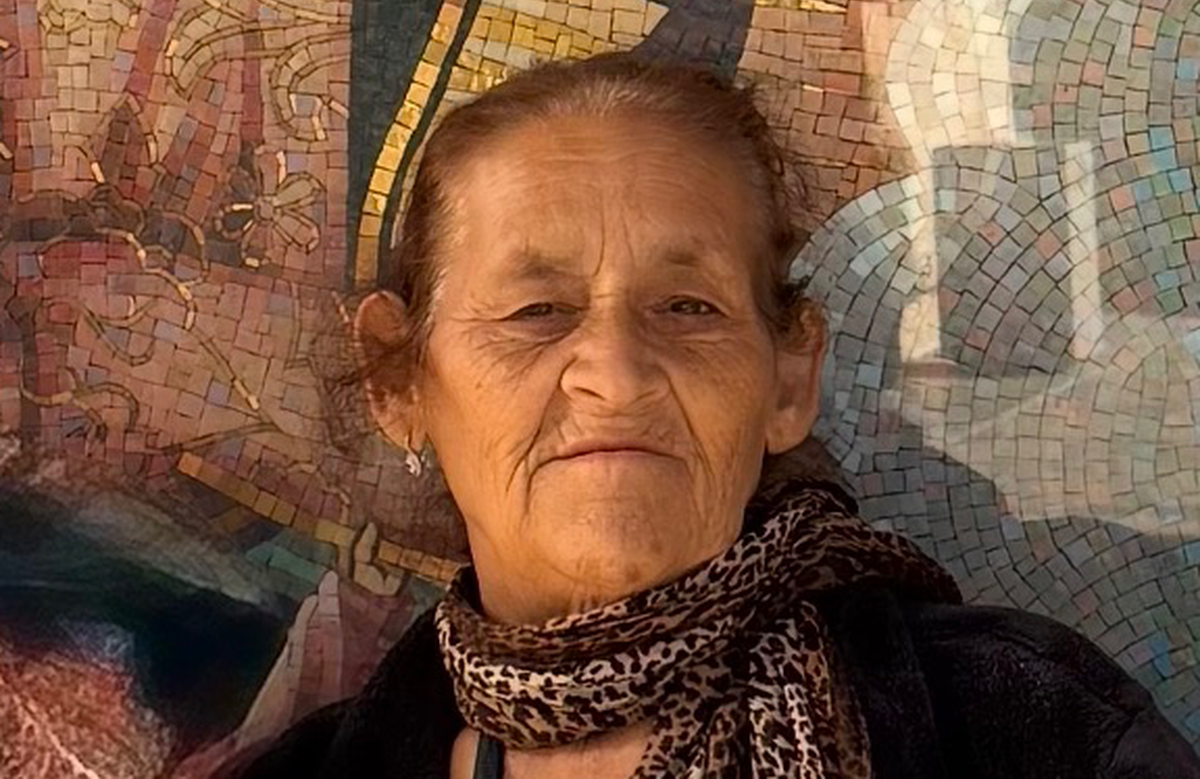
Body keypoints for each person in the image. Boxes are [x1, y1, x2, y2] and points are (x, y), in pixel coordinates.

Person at [224, 54, 1200, 779]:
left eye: (687, 308)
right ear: (400, 383)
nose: (615, 374)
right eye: (536, 311)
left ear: (788, 379)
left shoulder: (1031, 732)